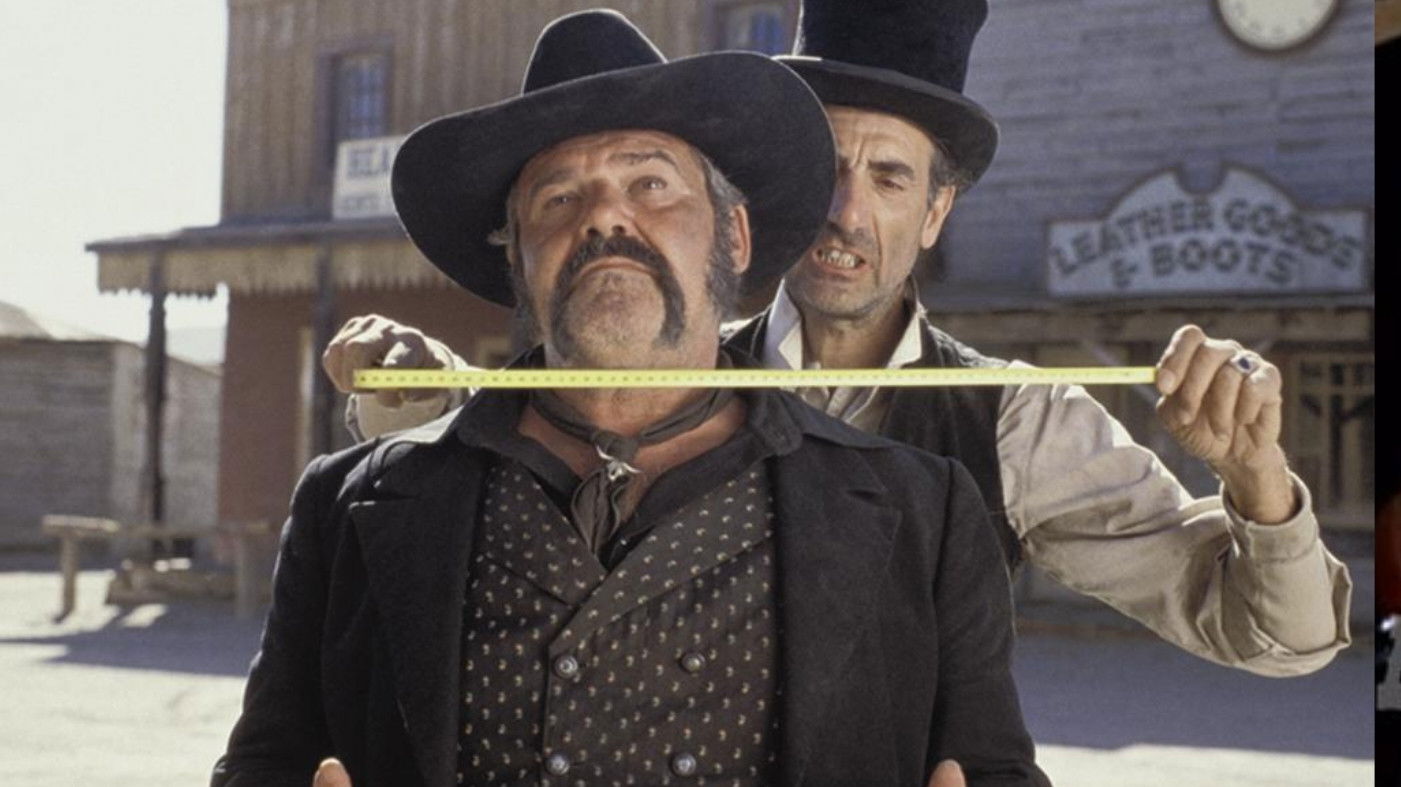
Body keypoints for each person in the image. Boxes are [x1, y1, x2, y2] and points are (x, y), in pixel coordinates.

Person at [327, 0, 1351, 681]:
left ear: (935, 213)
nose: (844, 214)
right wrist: (407, 391)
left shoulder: (1015, 420)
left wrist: (1257, 477)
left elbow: (1280, 638)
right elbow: (489, 466)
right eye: (825, 170)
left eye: (890, 177)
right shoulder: (658, 368)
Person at [216, 10, 1049, 787]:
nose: (605, 217)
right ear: (516, 258)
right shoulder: (346, 506)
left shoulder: (926, 512)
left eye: (650, 184)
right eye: (558, 197)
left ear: (733, 235)